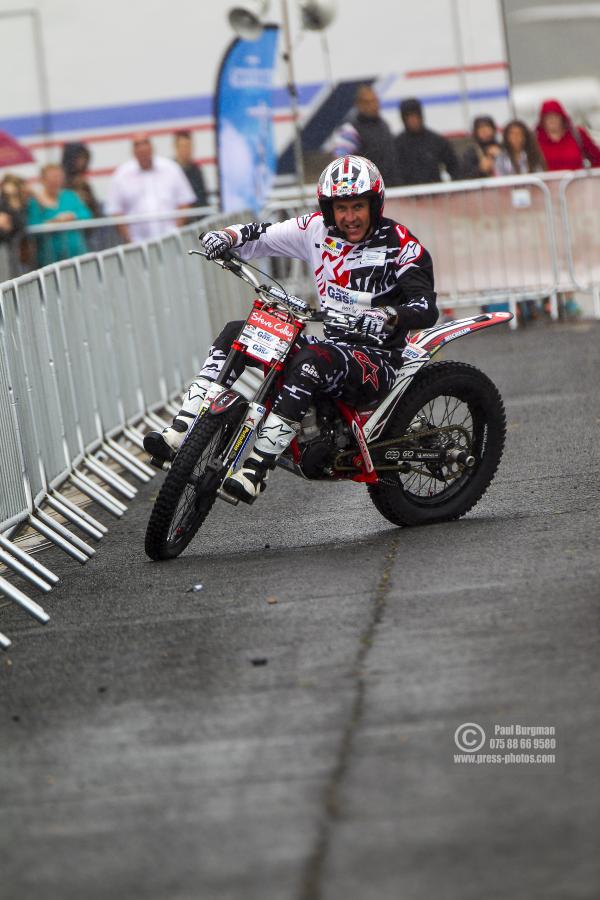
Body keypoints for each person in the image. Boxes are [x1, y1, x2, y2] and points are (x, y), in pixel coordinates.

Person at [144, 155, 438, 504]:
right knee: (239, 332)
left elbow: (425, 307)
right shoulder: (317, 229)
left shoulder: (400, 244)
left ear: (375, 204)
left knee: (311, 359)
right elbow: (261, 236)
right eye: (341, 208)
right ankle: (180, 429)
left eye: (358, 206)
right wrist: (226, 236)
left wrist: (387, 315)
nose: (350, 217)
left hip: (377, 360)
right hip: (334, 348)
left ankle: (254, 470)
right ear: (329, 209)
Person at [106, 133, 196, 243]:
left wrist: (175, 230)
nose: (142, 149)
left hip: (171, 240)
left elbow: (184, 202)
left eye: (145, 144)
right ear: (133, 151)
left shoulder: (171, 169)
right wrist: (130, 239)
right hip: (138, 244)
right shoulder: (121, 175)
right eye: (137, 145)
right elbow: (115, 210)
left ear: (152, 147)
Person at [329, 85, 399, 186]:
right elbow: (339, 164)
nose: (373, 105)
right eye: (367, 102)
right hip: (368, 192)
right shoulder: (350, 131)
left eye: (374, 101)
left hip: (390, 189)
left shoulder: (384, 126)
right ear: (359, 104)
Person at [26, 164, 92, 266]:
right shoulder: (35, 202)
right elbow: (32, 225)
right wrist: (53, 222)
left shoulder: (70, 196)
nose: (56, 181)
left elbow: (86, 214)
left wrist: (73, 216)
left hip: (76, 254)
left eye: (59, 177)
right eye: (52, 178)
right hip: (49, 258)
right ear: (43, 180)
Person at [394, 98, 461, 186]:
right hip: (408, 195)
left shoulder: (436, 140)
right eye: (409, 117)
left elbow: (454, 166)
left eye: (415, 116)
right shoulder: (397, 144)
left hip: (434, 194)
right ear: (404, 119)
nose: (413, 120)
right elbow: (393, 172)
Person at [535, 99, 600, 172]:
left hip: (578, 182)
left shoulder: (578, 134)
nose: (552, 119)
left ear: (562, 117)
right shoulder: (536, 140)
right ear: (542, 120)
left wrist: (592, 177)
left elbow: (597, 158)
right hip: (547, 182)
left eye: (555, 115)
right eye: (548, 117)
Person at [61, 142, 103, 218]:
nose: (82, 162)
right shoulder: (60, 182)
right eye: (78, 158)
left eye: (84, 158)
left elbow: (94, 209)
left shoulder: (83, 182)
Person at [174, 130, 208, 208]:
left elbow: (203, 198)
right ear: (176, 147)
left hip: (196, 215)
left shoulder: (197, 170)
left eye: (188, 146)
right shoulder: (171, 170)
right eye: (182, 146)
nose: (185, 150)